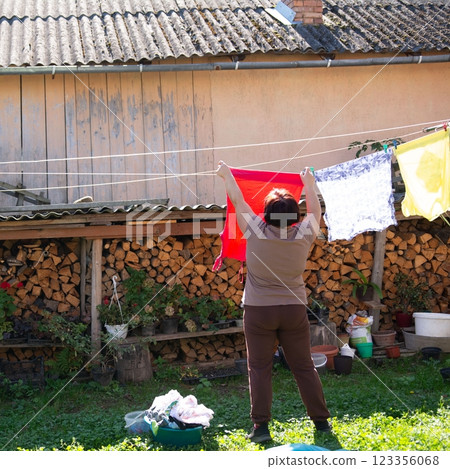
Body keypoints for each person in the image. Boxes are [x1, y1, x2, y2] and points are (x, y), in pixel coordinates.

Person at [216, 161, 331, 443]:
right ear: (295, 215)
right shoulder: (304, 233)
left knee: (259, 368)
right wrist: (309, 185)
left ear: (265, 214)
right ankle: (322, 425)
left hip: (258, 312)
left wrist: (227, 175)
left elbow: (238, 199)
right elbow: (316, 210)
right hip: (293, 310)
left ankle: (261, 429)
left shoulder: (255, 228)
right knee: (304, 366)